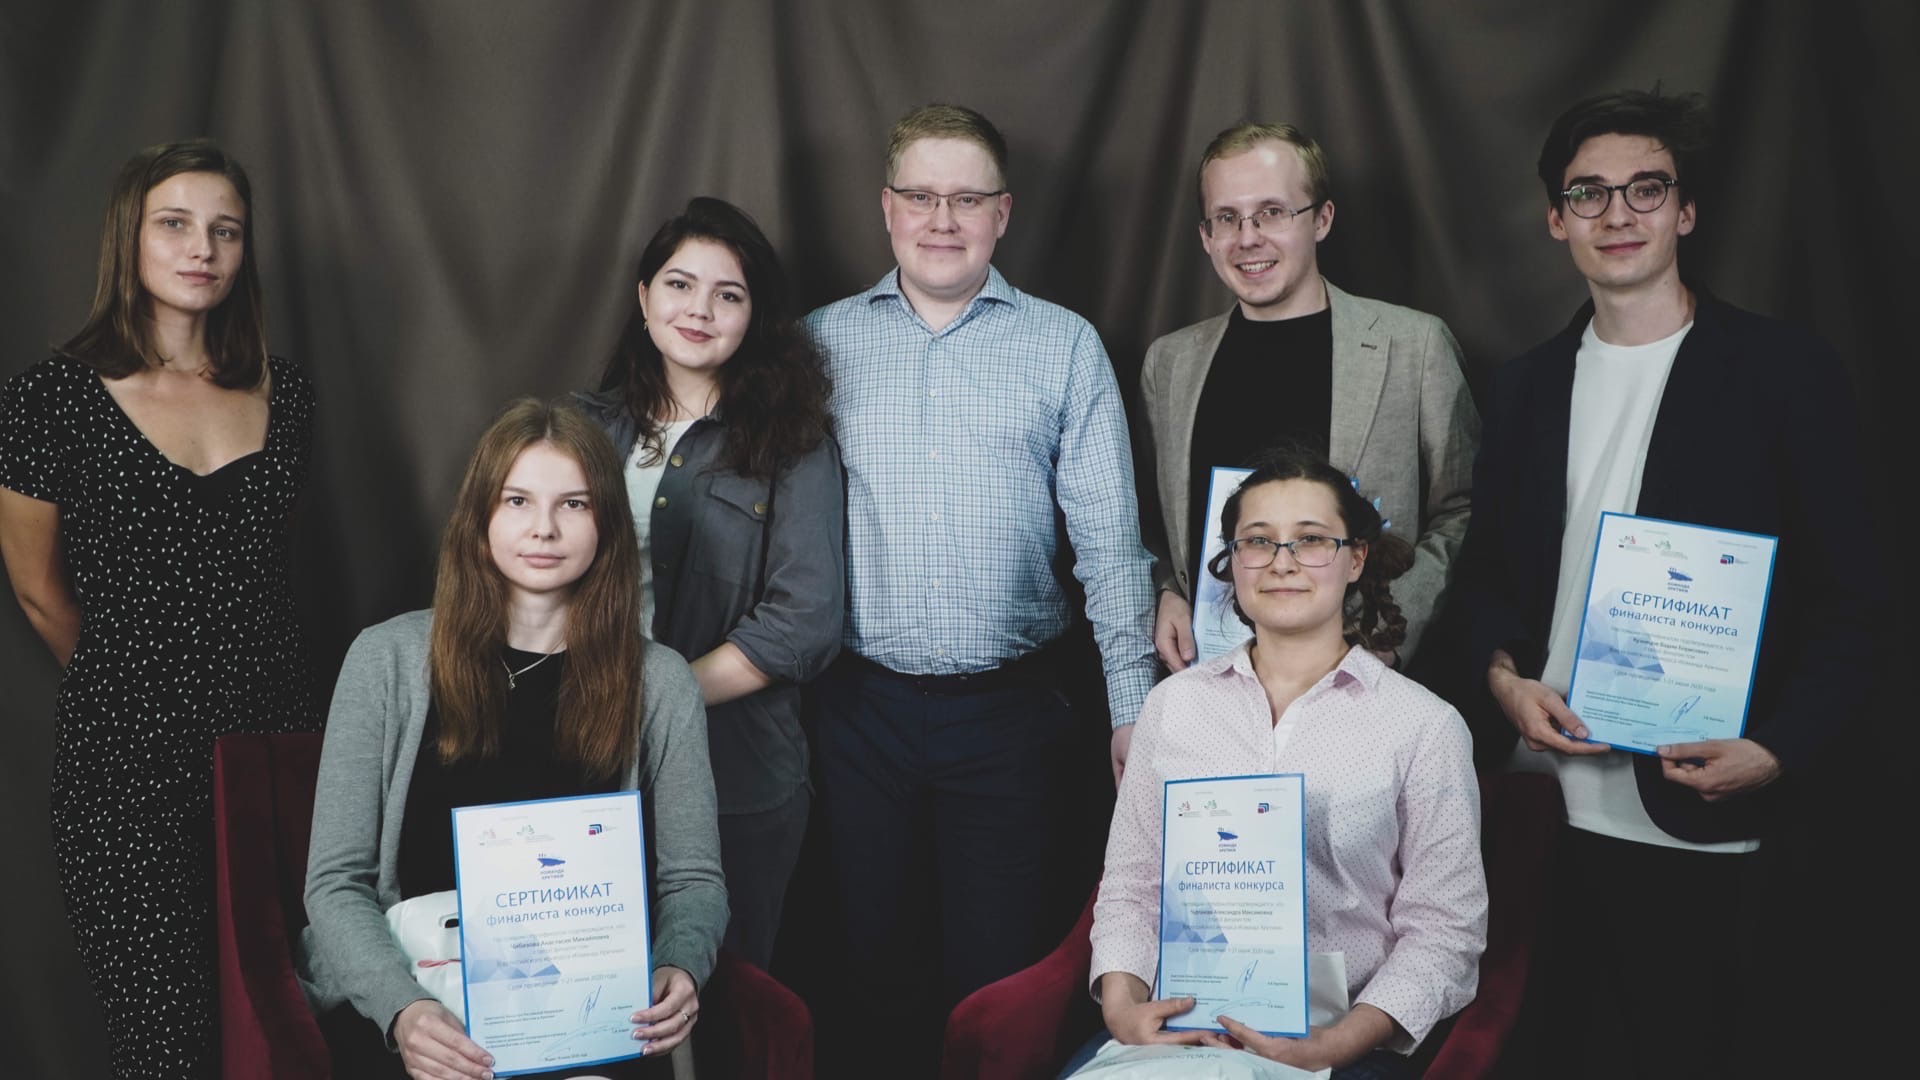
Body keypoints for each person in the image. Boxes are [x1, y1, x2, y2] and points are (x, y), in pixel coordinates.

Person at [1461, 89, 1872, 1077]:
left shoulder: (1784, 372)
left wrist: (1775, 749)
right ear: (1557, 219)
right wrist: (1502, 680)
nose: (1618, 214)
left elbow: (1857, 603)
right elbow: (1483, 579)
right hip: (1539, 802)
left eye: (1645, 189)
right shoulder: (1523, 387)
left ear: (1685, 210)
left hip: (1700, 807)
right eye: (1589, 194)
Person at [802, 102, 1157, 1066]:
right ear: (887, 208)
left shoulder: (1065, 346)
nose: (942, 219)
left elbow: (1110, 550)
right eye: (921, 196)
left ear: (1003, 214)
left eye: (967, 199)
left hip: (1011, 717)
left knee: (999, 983)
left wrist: (1134, 710)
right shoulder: (818, 344)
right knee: (871, 973)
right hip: (856, 715)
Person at [0, 139, 319, 1078]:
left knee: (281, 1022)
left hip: (272, 740)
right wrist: (136, 682)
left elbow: (259, 571)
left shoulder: (287, 392)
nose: (202, 249)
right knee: (164, 1036)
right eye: (175, 224)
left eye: (226, 230)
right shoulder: (50, 400)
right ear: (129, 238)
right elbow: (37, 588)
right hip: (126, 761)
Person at [299, 399, 727, 1079]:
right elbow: (335, 883)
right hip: (422, 1010)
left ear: (607, 524)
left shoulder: (661, 682)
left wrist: (680, 963)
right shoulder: (385, 660)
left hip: (587, 1017)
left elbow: (693, 880)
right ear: (481, 515)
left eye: (574, 504)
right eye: (518, 500)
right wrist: (402, 1009)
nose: (544, 528)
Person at [1085, 445, 1485, 1078]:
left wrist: (1342, 1041)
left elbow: (1445, 931)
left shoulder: (1424, 726)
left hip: (1339, 1041)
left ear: (1356, 559)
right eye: (1258, 541)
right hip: (1180, 1032)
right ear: (1232, 561)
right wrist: (1122, 1008)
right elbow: (1132, 885)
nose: (1282, 561)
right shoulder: (1172, 706)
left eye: (1311, 539)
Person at [574, 195, 843, 969]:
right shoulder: (582, 430)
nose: (699, 310)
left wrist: (655, 697)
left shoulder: (794, 445)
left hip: (738, 774)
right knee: (589, 988)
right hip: (585, 761)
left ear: (753, 318)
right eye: (679, 284)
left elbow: (806, 619)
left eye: (729, 295)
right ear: (643, 297)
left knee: (725, 996)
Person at [1138, 121, 1478, 676]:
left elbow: (1463, 510)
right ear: (1205, 235)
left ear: (1321, 219)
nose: (1248, 237)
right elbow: (1147, 519)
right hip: (1213, 673)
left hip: (1364, 670)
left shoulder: (1414, 346)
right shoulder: (1171, 363)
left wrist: (1392, 627)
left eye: (1272, 212)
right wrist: (1165, 592)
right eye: (1227, 218)